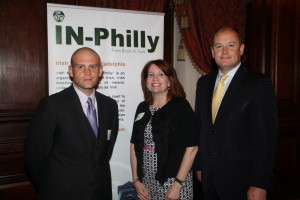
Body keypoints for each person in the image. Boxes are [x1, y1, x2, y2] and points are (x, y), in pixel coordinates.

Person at [194, 27, 278, 200]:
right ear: (212, 51)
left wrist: (260, 183)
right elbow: (201, 129)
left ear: (241, 49)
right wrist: (199, 165)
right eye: (218, 46)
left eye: (230, 45)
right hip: (209, 179)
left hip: (242, 181)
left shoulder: (258, 84)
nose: (224, 51)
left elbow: (266, 139)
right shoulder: (203, 84)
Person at [24, 47, 119, 200]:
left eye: (92, 66)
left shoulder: (110, 106)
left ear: (100, 71)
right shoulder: (52, 105)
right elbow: (34, 157)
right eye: (80, 66)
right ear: (71, 71)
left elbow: (104, 152)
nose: (87, 72)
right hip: (62, 193)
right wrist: (50, 187)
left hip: (100, 192)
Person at [130, 59, 198, 200]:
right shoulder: (142, 107)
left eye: (161, 74)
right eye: (151, 74)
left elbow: (192, 148)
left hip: (174, 181)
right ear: (146, 81)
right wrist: (136, 180)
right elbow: (133, 145)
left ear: (169, 81)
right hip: (146, 181)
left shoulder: (181, 106)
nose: (155, 78)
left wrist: (178, 184)